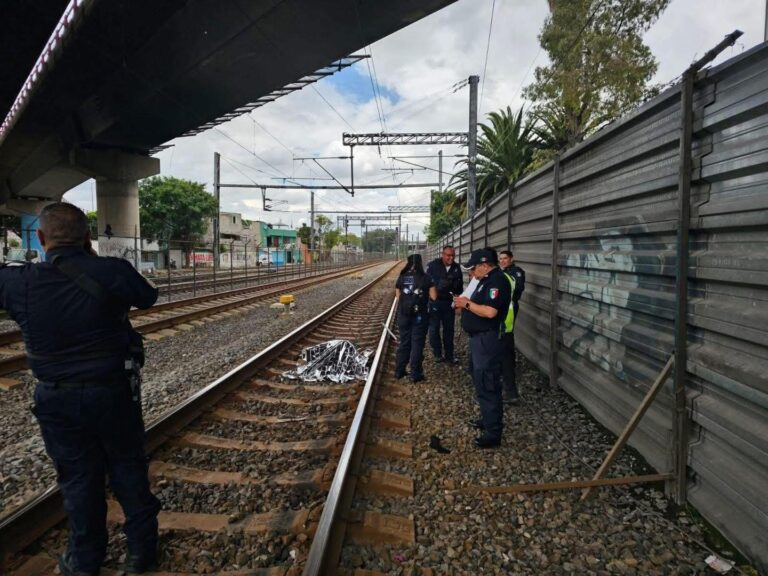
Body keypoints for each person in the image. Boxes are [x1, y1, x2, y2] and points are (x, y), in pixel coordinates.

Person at [0, 203, 161, 575]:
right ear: (88, 237)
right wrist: (91, 261)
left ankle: (85, 561)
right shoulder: (112, 271)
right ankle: (141, 555)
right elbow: (148, 297)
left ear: (40, 239)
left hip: (57, 397)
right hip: (113, 392)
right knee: (128, 468)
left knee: (77, 478)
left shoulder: (17, 281)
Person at [453, 248, 512, 448]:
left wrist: (466, 304)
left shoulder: (497, 282)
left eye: (473, 268)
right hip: (479, 339)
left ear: (484, 265)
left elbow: (490, 312)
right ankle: (487, 420)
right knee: (479, 379)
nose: (471, 272)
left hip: (488, 340)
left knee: (488, 383)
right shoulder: (484, 280)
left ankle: (493, 433)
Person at [395, 254, 437, 383]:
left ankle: (399, 371)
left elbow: (398, 297)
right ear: (420, 263)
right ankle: (415, 373)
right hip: (420, 316)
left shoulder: (402, 277)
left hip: (404, 315)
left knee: (404, 343)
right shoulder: (427, 278)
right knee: (417, 344)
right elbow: (434, 297)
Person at [426, 245, 463, 364]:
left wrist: (458, 305)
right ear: (442, 255)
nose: (451, 258)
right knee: (434, 329)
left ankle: (449, 355)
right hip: (435, 302)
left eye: (453, 255)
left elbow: (459, 288)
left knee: (449, 330)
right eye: (448, 255)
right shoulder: (433, 265)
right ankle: (437, 353)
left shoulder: (457, 268)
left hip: (449, 303)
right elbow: (426, 284)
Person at [498, 250, 525, 404]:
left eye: (505, 258)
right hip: (501, 313)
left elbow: (516, 292)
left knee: (506, 345)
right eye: (500, 259)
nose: (502, 261)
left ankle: (510, 388)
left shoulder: (517, 273)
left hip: (509, 311)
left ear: (511, 259)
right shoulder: (501, 273)